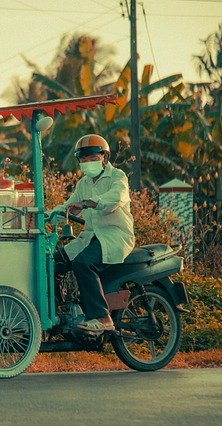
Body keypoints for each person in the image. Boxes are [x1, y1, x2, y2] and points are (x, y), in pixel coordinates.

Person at [53, 134, 135, 334]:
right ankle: (59, 313)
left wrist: (89, 203)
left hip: (115, 235)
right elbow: (67, 206)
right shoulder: (84, 184)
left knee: (83, 263)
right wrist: (45, 215)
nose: (88, 164)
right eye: (84, 160)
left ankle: (102, 317)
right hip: (91, 237)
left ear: (104, 158)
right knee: (53, 263)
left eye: (93, 159)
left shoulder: (117, 176)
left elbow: (116, 198)